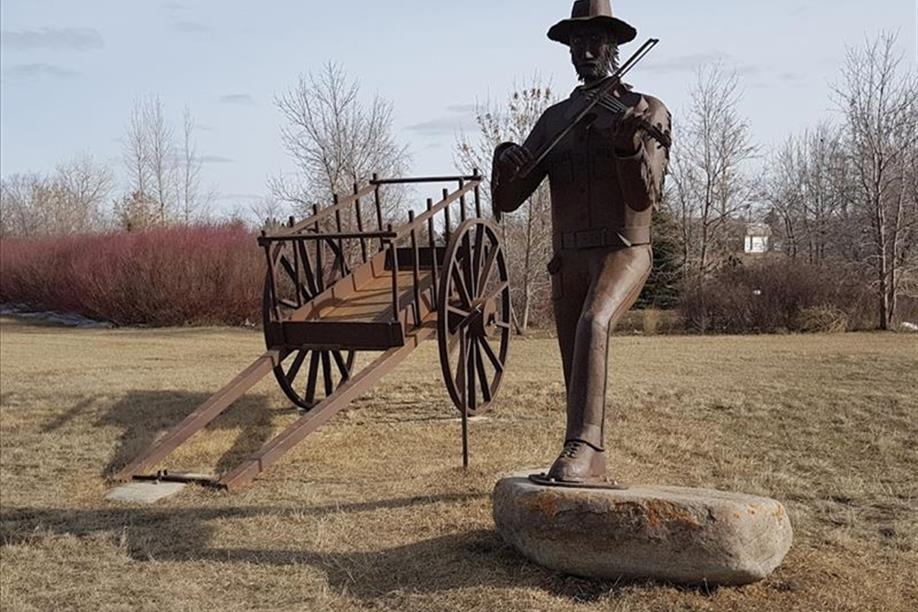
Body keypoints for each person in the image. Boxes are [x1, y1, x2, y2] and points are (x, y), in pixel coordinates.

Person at [491, 0, 671, 485]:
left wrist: (627, 144)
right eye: (576, 42)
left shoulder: (644, 110)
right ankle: (585, 452)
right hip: (568, 255)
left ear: (613, 45)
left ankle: (585, 447)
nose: (584, 51)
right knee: (573, 350)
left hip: (622, 248)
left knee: (594, 323)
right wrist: (503, 162)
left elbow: (642, 196)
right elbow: (510, 199)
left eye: (593, 41)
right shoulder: (556, 119)